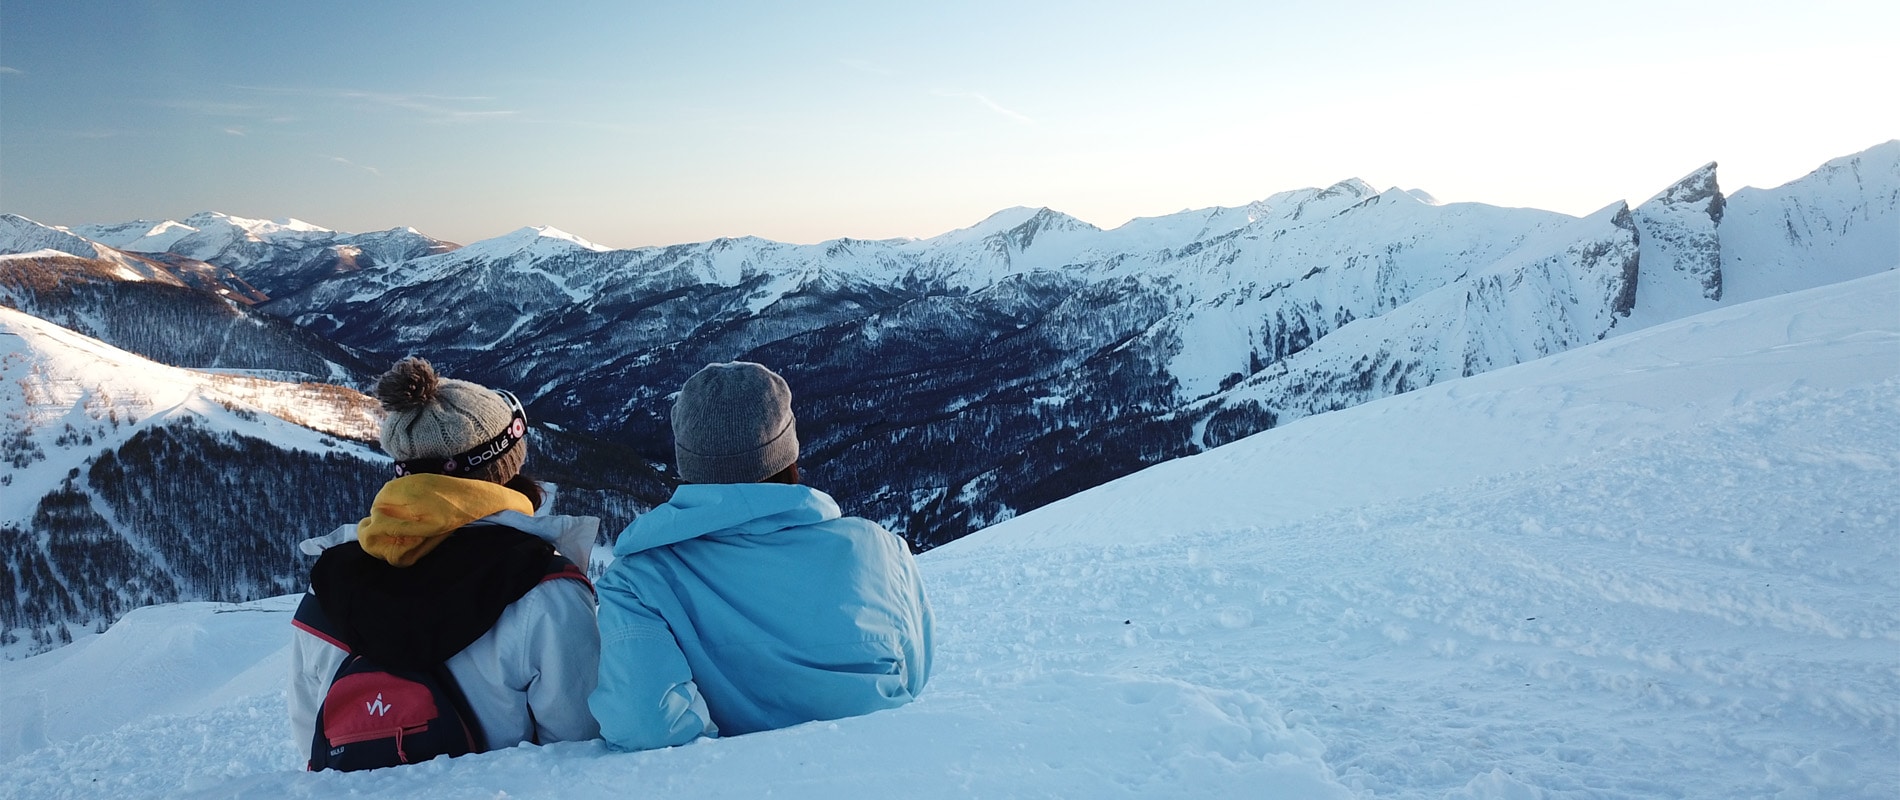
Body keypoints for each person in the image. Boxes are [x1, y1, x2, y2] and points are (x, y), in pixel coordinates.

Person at [590, 361, 933, 751]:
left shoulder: (636, 581)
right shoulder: (880, 550)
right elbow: (913, 678)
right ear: (788, 454)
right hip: (886, 773)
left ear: (688, 460)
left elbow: (646, 725)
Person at [288, 357, 600, 767]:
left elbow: (310, 736)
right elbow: (578, 751)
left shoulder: (330, 584)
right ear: (505, 466)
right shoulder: (544, 589)